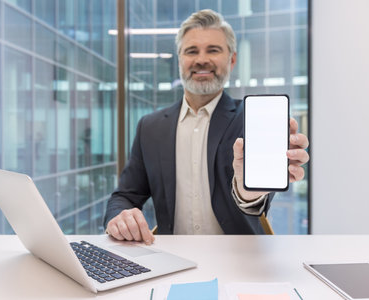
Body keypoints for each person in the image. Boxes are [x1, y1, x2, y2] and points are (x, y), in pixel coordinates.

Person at [103, 9, 309, 244]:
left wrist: (248, 192)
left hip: (242, 260)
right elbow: (125, 196)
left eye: (213, 50)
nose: (202, 59)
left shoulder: (250, 121)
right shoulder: (149, 128)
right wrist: (119, 216)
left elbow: (256, 200)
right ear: (180, 60)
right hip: (174, 262)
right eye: (192, 51)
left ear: (232, 60)